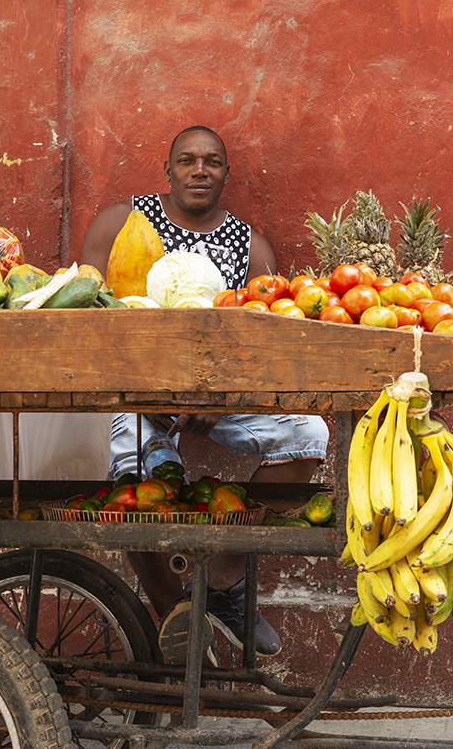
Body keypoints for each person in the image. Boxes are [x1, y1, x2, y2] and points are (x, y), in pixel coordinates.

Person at [81, 125, 330, 664]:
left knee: (309, 432)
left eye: (212, 161)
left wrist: (219, 398)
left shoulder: (251, 246)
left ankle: (221, 583)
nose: (199, 170)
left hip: (220, 400)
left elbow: (270, 345)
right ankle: (182, 622)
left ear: (225, 173)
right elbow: (87, 323)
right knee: (138, 477)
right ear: (167, 170)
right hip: (135, 394)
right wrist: (148, 397)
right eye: (187, 160)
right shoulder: (121, 223)